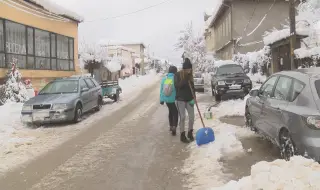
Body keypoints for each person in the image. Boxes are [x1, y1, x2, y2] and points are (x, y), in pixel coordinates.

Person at [174, 58, 195, 143]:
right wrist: (185, 80)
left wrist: (194, 98)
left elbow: (193, 88)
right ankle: (182, 135)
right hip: (180, 100)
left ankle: (190, 132)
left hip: (189, 99)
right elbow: (177, 86)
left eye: (190, 69)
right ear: (184, 69)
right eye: (188, 69)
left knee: (192, 117)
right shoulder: (177, 75)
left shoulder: (190, 76)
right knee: (182, 117)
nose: (189, 70)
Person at [160, 66, 179, 136]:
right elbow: (177, 89)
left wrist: (161, 100)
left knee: (171, 111)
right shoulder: (175, 79)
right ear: (175, 72)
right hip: (173, 99)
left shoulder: (165, 79)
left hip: (167, 100)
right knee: (175, 113)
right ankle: (174, 126)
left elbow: (161, 90)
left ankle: (171, 126)